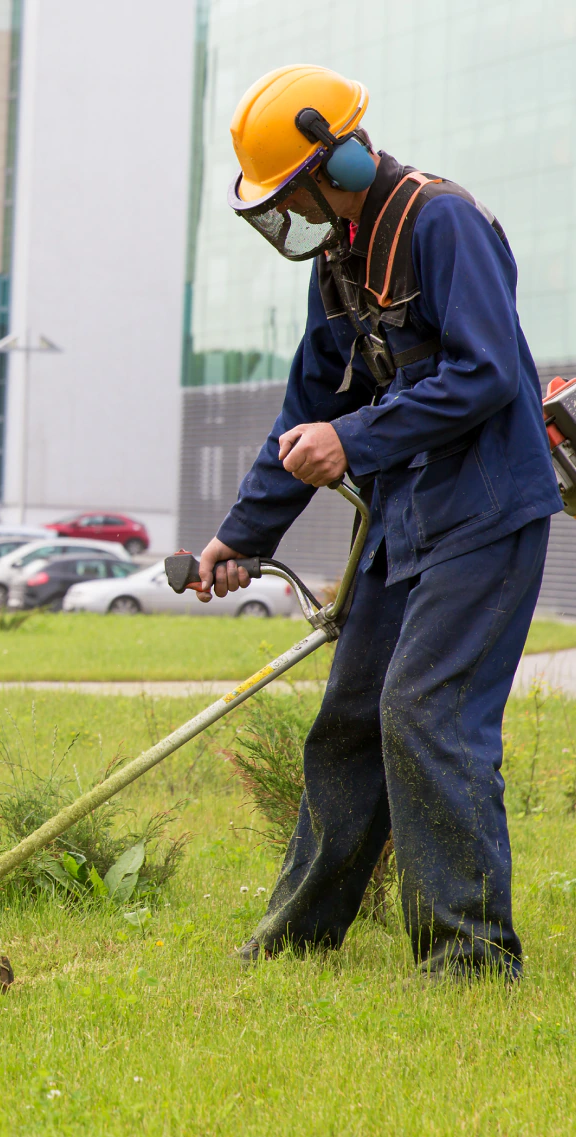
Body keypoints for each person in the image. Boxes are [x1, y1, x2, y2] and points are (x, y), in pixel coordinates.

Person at [197, 64, 562, 981]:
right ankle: (298, 937)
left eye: (295, 189)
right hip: (407, 522)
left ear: (342, 157)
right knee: (353, 716)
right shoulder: (340, 257)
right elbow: (304, 411)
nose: (294, 212)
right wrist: (240, 536)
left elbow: (486, 375)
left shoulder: (442, 222)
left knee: (426, 710)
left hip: (485, 512)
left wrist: (353, 439)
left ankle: (470, 957)